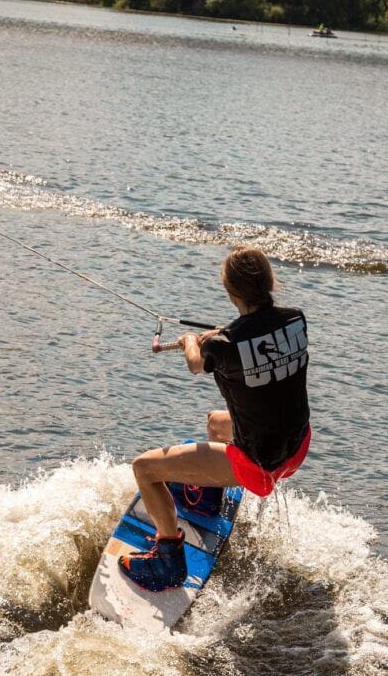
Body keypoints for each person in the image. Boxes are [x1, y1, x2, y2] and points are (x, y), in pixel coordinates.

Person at [118, 246, 312, 591]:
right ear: (269, 282)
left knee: (144, 469)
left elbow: (196, 364)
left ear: (229, 289)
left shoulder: (223, 346)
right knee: (215, 423)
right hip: (296, 445)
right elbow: (256, 335)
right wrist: (223, 335)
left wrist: (193, 341)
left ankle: (167, 563)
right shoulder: (295, 320)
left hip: (259, 464)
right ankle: (208, 494)